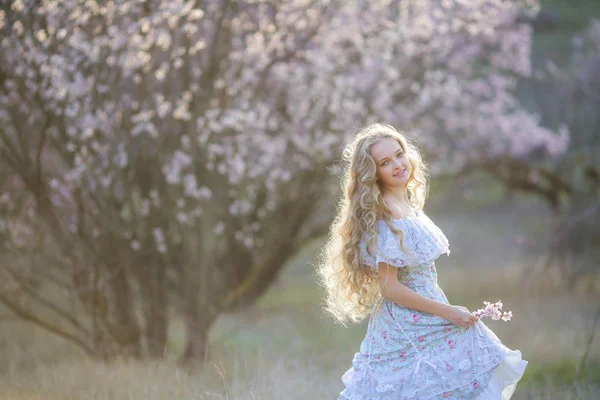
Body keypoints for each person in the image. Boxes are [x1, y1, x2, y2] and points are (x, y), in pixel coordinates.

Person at [315, 123, 528, 399]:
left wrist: (446, 310)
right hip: (406, 323)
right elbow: (390, 288)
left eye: (399, 154)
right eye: (385, 162)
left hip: (428, 311)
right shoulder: (385, 216)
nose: (397, 164)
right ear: (374, 173)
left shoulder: (408, 206)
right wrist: (448, 311)